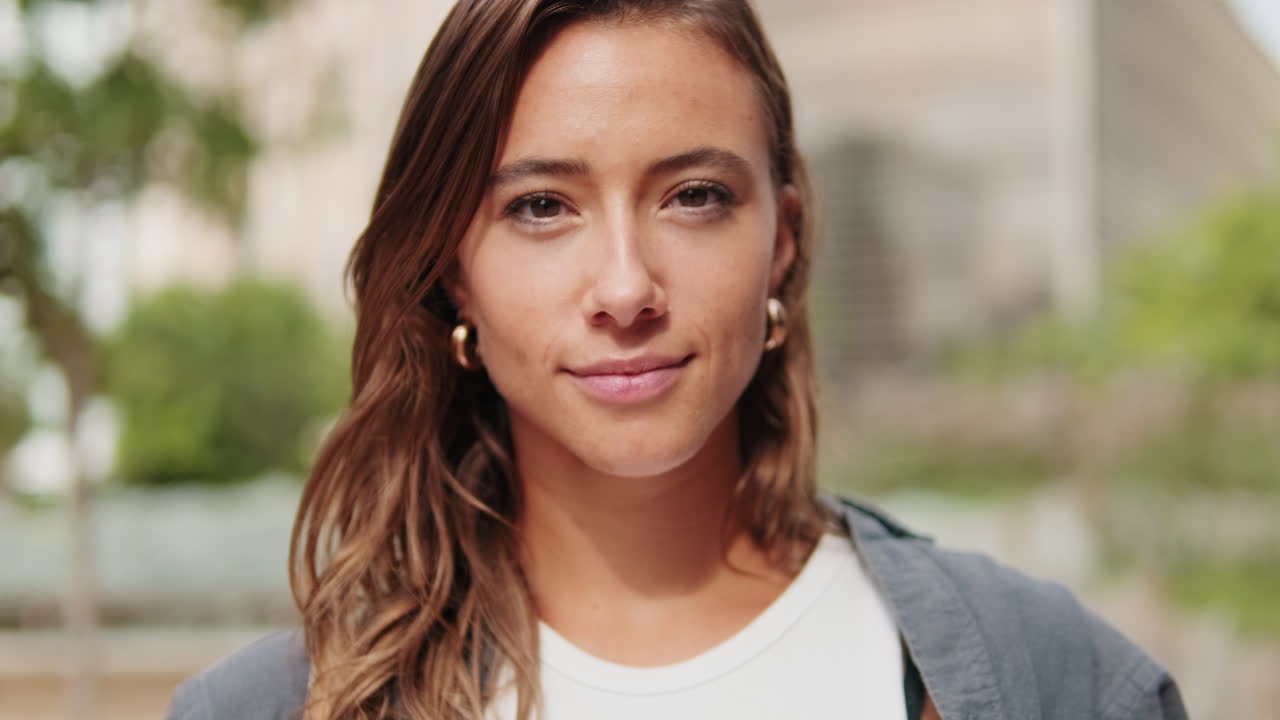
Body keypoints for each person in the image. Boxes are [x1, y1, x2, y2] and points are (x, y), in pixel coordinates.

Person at [166, 1, 1188, 718]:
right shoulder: (263, 710)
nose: (623, 289)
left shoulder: (1052, 678)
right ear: (452, 272)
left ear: (779, 240)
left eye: (693, 196)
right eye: (539, 207)